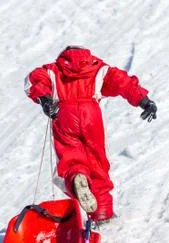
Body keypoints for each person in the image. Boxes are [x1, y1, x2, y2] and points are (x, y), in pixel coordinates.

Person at [24, 46, 157, 223]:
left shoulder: (53, 70)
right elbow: (123, 82)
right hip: (91, 115)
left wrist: (45, 99)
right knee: (97, 164)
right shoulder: (98, 68)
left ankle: (76, 178)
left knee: (71, 159)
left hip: (63, 114)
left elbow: (33, 80)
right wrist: (144, 100)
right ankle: (102, 214)